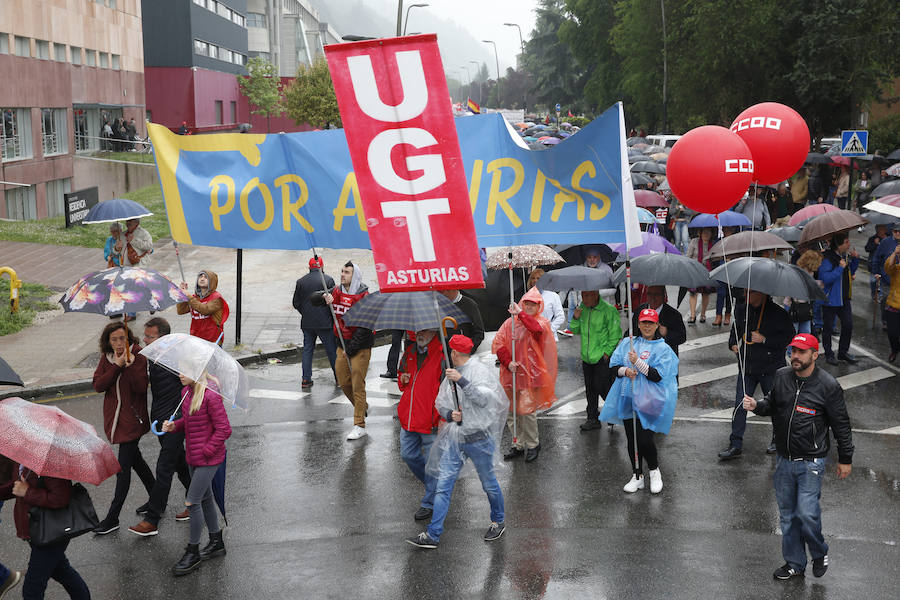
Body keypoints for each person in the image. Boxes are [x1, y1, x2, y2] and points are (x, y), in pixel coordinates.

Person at [743, 334, 853, 580]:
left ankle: (819, 550)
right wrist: (756, 406)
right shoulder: (782, 376)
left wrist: (845, 459)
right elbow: (771, 404)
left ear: (815, 355)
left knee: (806, 513)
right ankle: (794, 563)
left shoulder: (828, 386)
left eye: (802, 352)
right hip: (784, 460)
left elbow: (842, 425)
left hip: (811, 462)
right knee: (788, 515)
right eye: (793, 351)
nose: (796, 356)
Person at [406, 335, 507, 549]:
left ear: (453, 353)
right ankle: (433, 534)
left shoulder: (478, 372)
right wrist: (450, 413)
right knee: (443, 485)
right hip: (456, 439)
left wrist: (461, 380)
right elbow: (440, 402)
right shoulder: (451, 375)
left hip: (480, 439)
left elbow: (484, 399)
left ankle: (498, 521)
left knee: (488, 484)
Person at [600, 308, 679, 494]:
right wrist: (625, 371)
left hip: (651, 400)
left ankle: (654, 471)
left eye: (651, 323)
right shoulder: (628, 343)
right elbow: (613, 366)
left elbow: (658, 376)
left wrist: (638, 363)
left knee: (644, 439)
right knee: (631, 439)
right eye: (644, 322)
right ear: (638, 324)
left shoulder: (663, 348)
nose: (647, 326)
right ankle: (637, 475)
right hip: (628, 397)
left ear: (657, 325)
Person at [161, 370, 232, 576]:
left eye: (186, 371)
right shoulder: (186, 392)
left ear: (198, 371)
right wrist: (174, 426)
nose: (180, 374)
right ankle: (216, 541)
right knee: (206, 498)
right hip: (193, 456)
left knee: (192, 501)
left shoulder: (210, 395)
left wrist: (207, 450)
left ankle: (192, 552)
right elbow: (189, 421)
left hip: (208, 458)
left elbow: (224, 429)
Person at [128, 317, 192, 537]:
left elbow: (190, 384)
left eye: (150, 336)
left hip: (174, 421)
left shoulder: (176, 359)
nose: (145, 340)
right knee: (180, 463)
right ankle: (198, 500)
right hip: (161, 420)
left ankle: (153, 519)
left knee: (164, 467)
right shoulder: (153, 356)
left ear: (163, 338)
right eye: (145, 336)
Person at [92, 321, 155, 535]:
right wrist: (117, 365)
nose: (119, 344)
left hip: (132, 421)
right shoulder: (107, 358)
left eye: (122, 339)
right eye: (114, 340)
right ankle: (157, 499)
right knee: (136, 461)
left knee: (123, 469)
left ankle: (112, 518)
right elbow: (99, 385)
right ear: (108, 342)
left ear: (129, 338)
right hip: (116, 420)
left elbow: (140, 387)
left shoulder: (137, 355)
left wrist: (128, 366)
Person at [718, 290, 794, 460]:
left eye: (750, 293)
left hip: (771, 369)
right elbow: (736, 328)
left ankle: (777, 439)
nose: (746, 295)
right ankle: (735, 444)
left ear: (762, 294)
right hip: (748, 368)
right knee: (740, 405)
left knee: (776, 406)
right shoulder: (742, 309)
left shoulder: (779, 313)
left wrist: (765, 340)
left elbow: (789, 337)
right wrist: (733, 344)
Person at [0, 466, 91, 599]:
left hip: (51, 534)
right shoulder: (24, 459)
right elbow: (17, 486)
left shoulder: (52, 464)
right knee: (63, 572)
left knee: (32, 590)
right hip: (37, 531)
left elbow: (61, 498)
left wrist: (27, 492)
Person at [492, 287, 558, 462]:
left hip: (530, 376)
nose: (529, 307)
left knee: (527, 411)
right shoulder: (509, 323)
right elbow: (499, 343)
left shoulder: (542, 322)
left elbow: (535, 329)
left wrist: (520, 314)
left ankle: (533, 444)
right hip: (511, 373)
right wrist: (508, 362)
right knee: (512, 411)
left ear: (539, 307)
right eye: (526, 303)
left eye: (533, 304)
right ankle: (518, 444)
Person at [313, 262, 374, 440]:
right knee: (343, 381)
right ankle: (363, 408)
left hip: (360, 347)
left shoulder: (364, 296)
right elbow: (312, 299)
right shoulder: (337, 291)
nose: (342, 274)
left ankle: (359, 424)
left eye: (347, 272)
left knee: (357, 385)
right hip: (342, 344)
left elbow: (364, 327)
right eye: (341, 271)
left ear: (354, 276)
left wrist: (351, 348)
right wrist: (324, 297)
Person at [397, 329, 444, 522]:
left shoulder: (443, 355)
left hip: (431, 419)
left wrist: (443, 417)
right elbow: (402, 380)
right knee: (408, 455)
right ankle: (436, 487)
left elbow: (449, 391)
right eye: (416, 330)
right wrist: (403, 379)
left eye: (424, 330)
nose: (419, 333)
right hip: (408, 417)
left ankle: (429, 502)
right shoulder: (409, 352)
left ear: (435, 330)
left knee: (433, 465)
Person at [569, 289, 621, 431]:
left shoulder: (608, 310)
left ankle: (612, 413)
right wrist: (575, 318)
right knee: (590, 389)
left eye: (588, 295)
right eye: (583, 295)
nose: (585, 299)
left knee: (603, 387)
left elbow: (615, 334)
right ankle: (592, 418)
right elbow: (574, 330)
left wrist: (607, 353)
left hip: (601, 358)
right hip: (587, 357)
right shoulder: (582, 310)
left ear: (596, 294)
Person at [292, 257, 337, 389]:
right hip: (324, 323)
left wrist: (305, 312)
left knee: (307, 350)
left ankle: (306, 379)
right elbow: (333, 301)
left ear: (309, 267)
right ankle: (339, 378)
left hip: (307, 322)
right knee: (331, 351)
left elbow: (296, 303)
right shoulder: (328, 280)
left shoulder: (300, 281)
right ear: (322, 267)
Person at [818, 233, 859, 365]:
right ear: (839, 244)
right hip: (831, 299)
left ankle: (842, 352)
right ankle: (829, 354)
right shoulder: (828, 259)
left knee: (848, 325)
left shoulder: (843, 256)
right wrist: (840, 268)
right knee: (828, 328)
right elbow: (826, 278)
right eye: (846, 242)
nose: (848, 245)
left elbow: (850, 272)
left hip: (844, 298)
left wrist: (855, 259)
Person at [177, 271, 230, 346]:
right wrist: (181, 294)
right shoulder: (194, 298)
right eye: (200, 276)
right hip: (197, 338)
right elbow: (181, 310)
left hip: (213, 339)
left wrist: (189, 296)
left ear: (212, 281)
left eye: (206, 277)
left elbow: (205, 310)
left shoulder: (216, 298)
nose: (202, 278)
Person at [631, 285, 687, 356]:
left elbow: (682, 337)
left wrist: (667, 333)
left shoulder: (674, 314)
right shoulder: (640, 310)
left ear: (663, 296)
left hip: (665, 358)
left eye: (656, 294)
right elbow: (631, 331)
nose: (653, 298)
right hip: (642, 356)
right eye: (649, 294)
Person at [784, 251, 823, 338]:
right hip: (793, 306)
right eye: (818, 262)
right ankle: (790, 351)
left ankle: (803, 350)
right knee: (793, 333)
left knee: (806, 333)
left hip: (804, 306)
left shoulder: (810, 273)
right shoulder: (798, 272)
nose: (820, 265)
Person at [686, 228, 716, 323]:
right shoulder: (694, 241)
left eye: (708, 232)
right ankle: (692, 315)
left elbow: (715, 258)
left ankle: (703, 314)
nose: (706, 234)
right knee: (693, 293)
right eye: (704, 232)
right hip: (695, 270)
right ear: (700, 233)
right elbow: (688, 256)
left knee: (705, 293)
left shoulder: (714, 244)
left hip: (707, 272)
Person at [526, 270, 565, 340]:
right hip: (531, 338)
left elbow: (560, 316)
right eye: (533, 278)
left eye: (538, 278)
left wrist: (549, 329)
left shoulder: (553, 296)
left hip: (548, 338)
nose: (535, 280)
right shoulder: (526, 296)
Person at [883, 242, 900, 362]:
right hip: (894, 305)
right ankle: (895, 349)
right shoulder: (897, 268)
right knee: (892, 333)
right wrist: (895, 253)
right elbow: (888, 267)